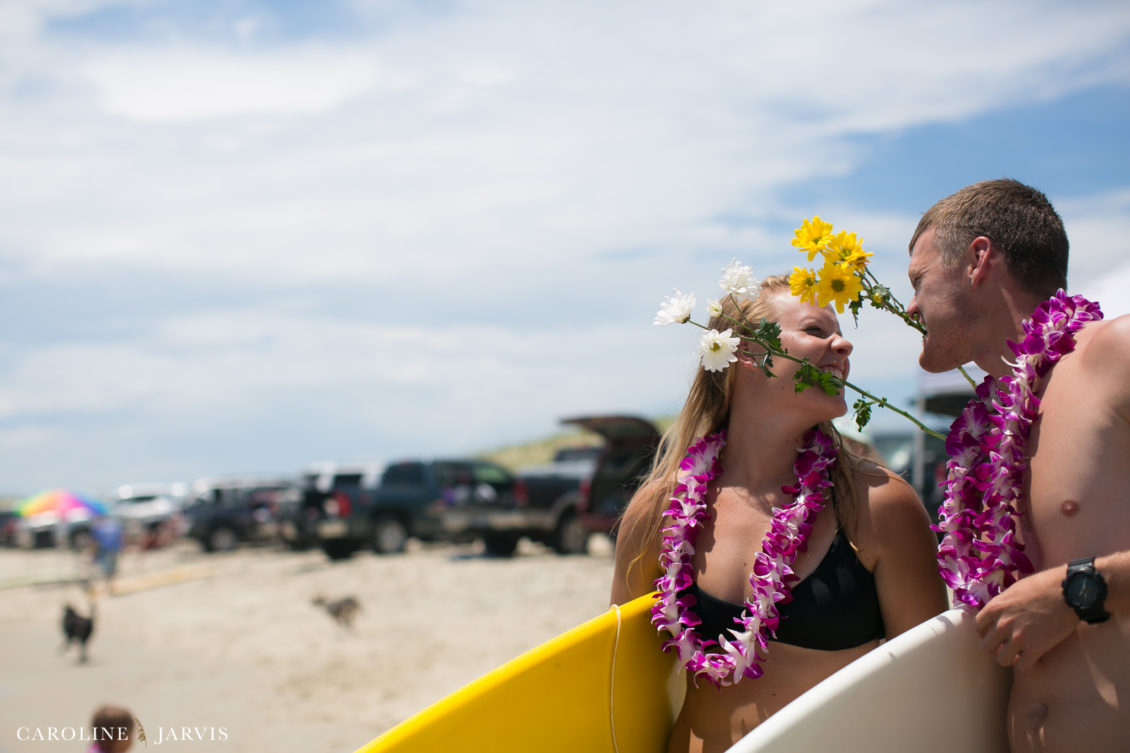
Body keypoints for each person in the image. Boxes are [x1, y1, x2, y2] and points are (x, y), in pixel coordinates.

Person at [612, 275, 946, 753]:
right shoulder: (659, 510)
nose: (844, 344)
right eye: (815, 330)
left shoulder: (876, 504)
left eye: (839, 334)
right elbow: (620, 683)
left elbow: (932, 686)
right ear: (748, 353)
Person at [906, 178, 1130, 752]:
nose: (909, 308)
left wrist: (1082, 589)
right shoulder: (987, 429)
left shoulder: (1114, 355)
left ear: (979, 259)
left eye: (918, 281)